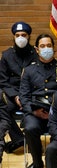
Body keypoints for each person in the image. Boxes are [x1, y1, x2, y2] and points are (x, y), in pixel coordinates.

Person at [19, 34, 57, 168]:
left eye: (49, 46)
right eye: (42, 46)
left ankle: (55, 162)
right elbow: (24, 96)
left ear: (54, 49)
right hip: (36, 112)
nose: (46, 48)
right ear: (36, 49)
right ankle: (37, 163)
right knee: (30, 128)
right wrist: (34, 112)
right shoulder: (29, 71)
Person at [0, 21, 37, 153]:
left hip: (32, 94)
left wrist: (25, 97)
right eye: (17, 35)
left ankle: (29, 139)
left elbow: (39, 78)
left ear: (29, 36)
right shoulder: (6, 55)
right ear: (14, 36)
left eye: (24, 35)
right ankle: (19, 139)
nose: (20, 38)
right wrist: (16, 96)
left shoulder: (36, 54)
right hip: (13, 94)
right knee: (3, 108)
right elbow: (3, 81)